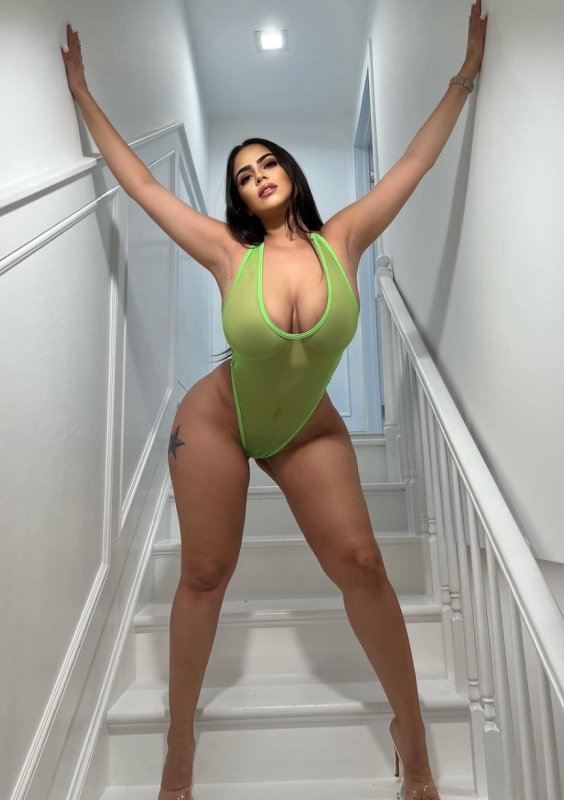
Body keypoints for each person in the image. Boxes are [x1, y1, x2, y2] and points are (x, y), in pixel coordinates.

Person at [61, 4, 487, 798]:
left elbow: (414, 162)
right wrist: (85, 95)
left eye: (266, 163)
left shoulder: (346, 237)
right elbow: (143, 184)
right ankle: (179, 742)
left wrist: (463, 74)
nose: (256, 175)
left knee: (363, 563)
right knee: (206, 571)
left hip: (304, 429)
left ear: (290, 172)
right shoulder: (227, 251)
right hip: (218, 420)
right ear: (239, 198)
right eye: (242, 174)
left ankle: (412, 732)